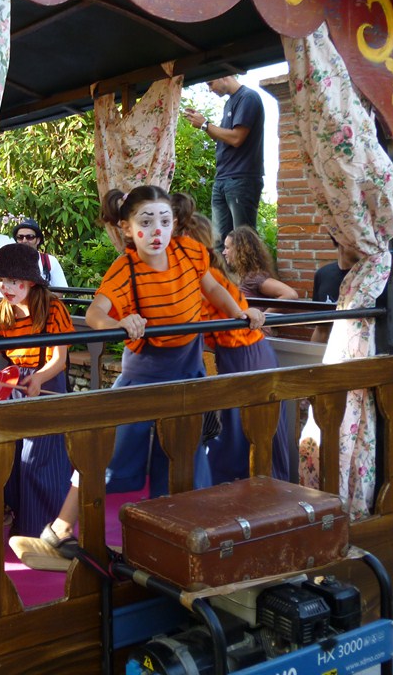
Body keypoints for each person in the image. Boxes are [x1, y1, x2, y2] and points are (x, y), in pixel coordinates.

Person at [40, 189, 263, 555]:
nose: (157, 230)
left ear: (175, 223)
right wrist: (120, 320)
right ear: (128, 229)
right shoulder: (125, 268)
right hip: (144, 372)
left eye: (164, 220)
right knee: (105, 449)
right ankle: (60, 529)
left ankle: (177, 533)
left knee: (184, 452)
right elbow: (96, 313)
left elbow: (211, 289)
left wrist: (240, 312)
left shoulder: (190, 253)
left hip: (187, 368)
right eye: (146, 222)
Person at [0, 243, 75, 537]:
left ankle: (45, 527)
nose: (6, 287)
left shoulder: (54, 309)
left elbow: (59, 360)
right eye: (2, 280)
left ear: (30, 281)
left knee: (39, 458)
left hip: (47, 383)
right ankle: (16, 513)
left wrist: (38, 378)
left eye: (14, 281)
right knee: (12, 455)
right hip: (15, 385)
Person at [186, 214, 289, 483]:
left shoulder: (208, 278)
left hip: (246, 354)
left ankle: (257, 494)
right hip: (236, 354)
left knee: (245, 431)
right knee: (236, 431)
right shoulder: (209, 275)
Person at [311, 234, 393, 420]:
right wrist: (309, 377)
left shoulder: (386, 275)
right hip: (334, 379)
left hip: (376, 381)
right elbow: (321, 331)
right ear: (338, 235)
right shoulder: (323, 275)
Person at [182, 75, 266, 247]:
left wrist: (205, 124)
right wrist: (203, 123)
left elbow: (236, 138)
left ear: (223, 76)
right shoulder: (230, 102)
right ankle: (223, 275)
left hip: (241, 179)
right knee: (219, 243)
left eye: (210, 83)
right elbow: (224, 138)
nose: (209, 89)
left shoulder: (248, 97)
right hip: (222, 179)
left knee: (244, 242)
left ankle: (250, 275)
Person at [11, 219, 68, 287]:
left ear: (38, 240)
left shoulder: (50, 261)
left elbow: (60, 290)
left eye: (29, 237)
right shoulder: (8, 261)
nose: (24, 240)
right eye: (20, 237)